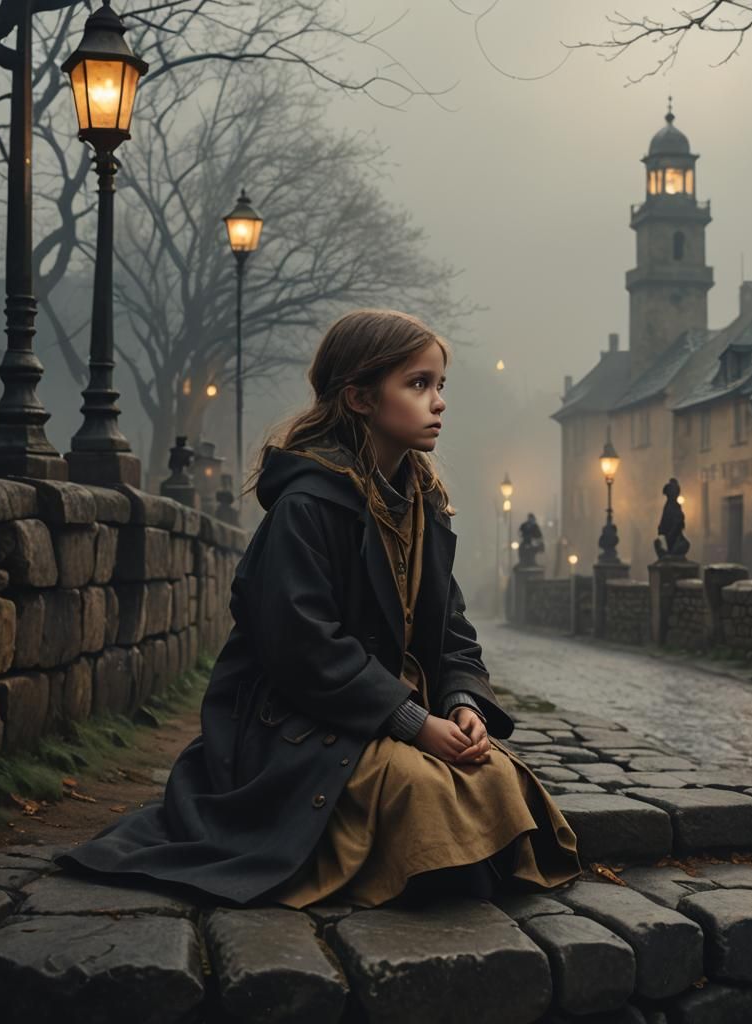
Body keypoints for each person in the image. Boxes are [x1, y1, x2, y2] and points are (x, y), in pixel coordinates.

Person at [54, 309, 581, 908]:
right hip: (304, 718)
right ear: (359, 397)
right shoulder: (306, 506)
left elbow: (452, 628)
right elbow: (302, 646)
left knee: (496, 778)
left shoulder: (424, 503)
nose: (437, 403)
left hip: (398, 707)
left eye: (440, 386)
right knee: (419, 789)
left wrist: (461, 704)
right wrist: (413, 723)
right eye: (417, 385)